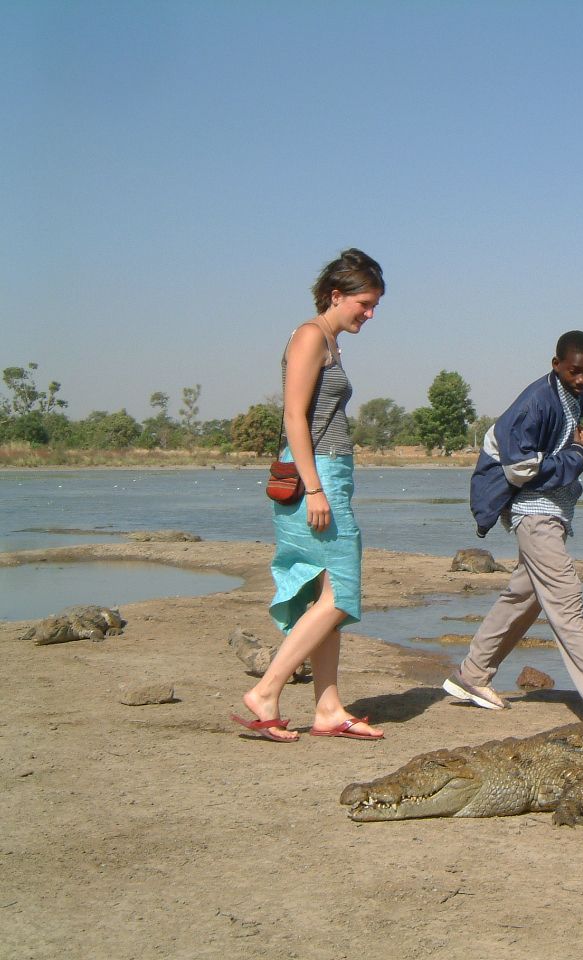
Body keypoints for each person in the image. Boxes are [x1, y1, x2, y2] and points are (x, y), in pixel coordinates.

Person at [233, 248, 386, 742]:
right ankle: (267, 691)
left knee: (326, 597)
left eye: (374, 304)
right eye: (364, 303)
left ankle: (328, 708)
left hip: (328, 474)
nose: (370, 313)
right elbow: (294, 416)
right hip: (313, 478)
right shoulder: (308, 336)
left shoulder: (330, 342)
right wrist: (317, 489)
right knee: (342, 592)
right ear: (336, 295)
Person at [444, 331, 583, 719]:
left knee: (524, 597)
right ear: (556, 364)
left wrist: (570, 456)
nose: (581, 379)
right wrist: (577, 454)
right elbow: (521, 469)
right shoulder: (536, 403)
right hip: (532, 509)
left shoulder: (574, 398)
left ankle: (473, 672)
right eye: (575, 371)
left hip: (552, 509)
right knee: (566, 598)